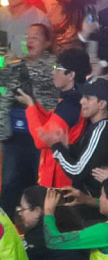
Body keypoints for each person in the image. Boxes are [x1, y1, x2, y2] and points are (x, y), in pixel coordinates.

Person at [0, 23, 59, 213]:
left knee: (34, 181)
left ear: (47, 43)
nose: (29, 41)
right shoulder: (18, 62)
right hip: (13, 132)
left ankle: (34, 221)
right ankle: (5, 222)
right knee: (9, 181)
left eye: (35, 37)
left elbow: (33, 82)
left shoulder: (52, 65)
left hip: (38, 133)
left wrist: (15, 63)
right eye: (28, 37)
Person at [25, 48, 89, 191]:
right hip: (62, 175)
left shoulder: (70, 105)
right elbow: (50, 121)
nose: (53, 72)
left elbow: (41, 139)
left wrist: (30, 106)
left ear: (71, 75)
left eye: (57, 69)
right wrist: (34, 103)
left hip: (60, 181)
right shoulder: (74, 98)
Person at [45, 79, 108, 198]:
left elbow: (77, 171)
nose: (81, 101)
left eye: (88, 98)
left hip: (94, 201)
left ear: (102, 104)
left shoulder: (101, 130)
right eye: (82, 97)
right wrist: (66, 147)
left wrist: (56, 147)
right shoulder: (95, 127)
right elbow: (87, 157)